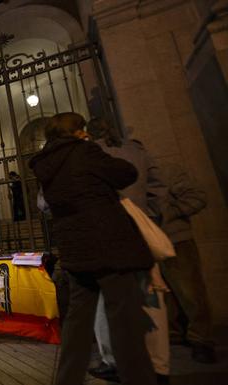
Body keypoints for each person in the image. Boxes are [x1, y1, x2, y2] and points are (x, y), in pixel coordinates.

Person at [29, 112, 157, 385]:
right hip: (108, 245)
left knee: (77, 323)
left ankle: (67, 379)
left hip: (76, 249)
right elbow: (126, 173)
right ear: (77, 132)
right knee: (125, 323)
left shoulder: (46, 164)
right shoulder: (84, 152)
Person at [87, 119, 170, 384]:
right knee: (152, 296)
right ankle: (160, 365)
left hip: (107, 233)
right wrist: (149, 217)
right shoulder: (137, 151)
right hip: (140, 226)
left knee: (105, 298)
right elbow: (158, 188)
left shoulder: (89, 155)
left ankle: (112, 359)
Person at [158, 163, 216, 363]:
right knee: (166, 295)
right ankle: (175, 334)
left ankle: (202, 340)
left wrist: (169, 213)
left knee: (191, 292)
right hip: (153, 243)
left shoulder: (166, 170)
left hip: (177, 240)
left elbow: (198, 196)